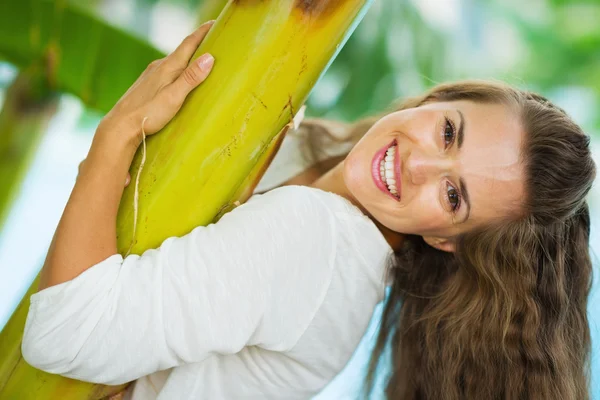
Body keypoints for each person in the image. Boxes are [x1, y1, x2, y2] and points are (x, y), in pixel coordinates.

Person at [20, 21, 595, 400]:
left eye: (453, 196)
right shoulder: (311, 159)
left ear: (447, 240)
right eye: (448, 132)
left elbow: (66, 332)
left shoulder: (318, 241)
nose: (419, 166)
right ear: (438, 97)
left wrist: (116, 134)